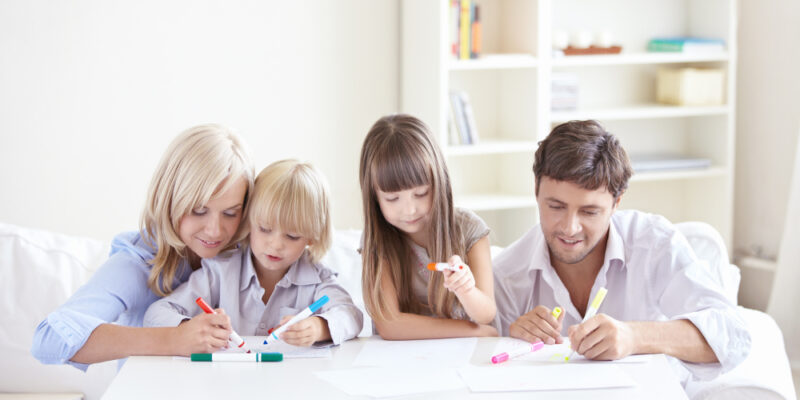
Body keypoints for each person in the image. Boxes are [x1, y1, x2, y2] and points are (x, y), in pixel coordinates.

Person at [493, 120, 751, 382]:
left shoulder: (655, 244)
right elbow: (485, 366)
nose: (570, 228)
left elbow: (733, 336)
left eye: (589, 211)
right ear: (536, 191)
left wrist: (635, 337)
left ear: (617, 202)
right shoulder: (507, 273)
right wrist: (510, 341)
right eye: (556, 207)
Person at [31, 124, 254, 369]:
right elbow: (49, 339)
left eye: (230, 213)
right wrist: (174, 338)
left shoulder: (248, 256)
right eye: (198, 210)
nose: (214, 230)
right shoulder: (139, 262)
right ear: (169, 199)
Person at [144, 159, 363, 349]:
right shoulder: (220, 271)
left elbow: (351, 315)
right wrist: (191, 329)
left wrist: (319, 327)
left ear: (312, 237)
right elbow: (157, 314)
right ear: (248, 222)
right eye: (265, 229)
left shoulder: (318, 278)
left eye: (292, 236)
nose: (275, 245)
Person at [359, 114, 497, 339]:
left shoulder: (470, 229)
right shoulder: (376, 241)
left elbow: (486, 314)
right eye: (392, 199)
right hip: (401, 359)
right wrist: (473, 332)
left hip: (460, 356)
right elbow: (389, 325)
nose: (409, 210)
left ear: (439, 182)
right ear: (374, 198)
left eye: (421, 193)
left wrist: (467, 290)